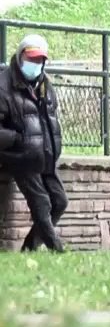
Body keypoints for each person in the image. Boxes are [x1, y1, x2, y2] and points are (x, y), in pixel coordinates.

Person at [0, 35, 66, 252]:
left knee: (60, 201)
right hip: (20, 156)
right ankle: (58, 250)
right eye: (31, 59)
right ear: (20, 56)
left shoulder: (45, 84)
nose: (35, 64)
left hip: (44, 155)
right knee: (42, 203)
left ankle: (29, 248)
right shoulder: (4, 86)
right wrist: (17, 139)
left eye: (39, 60)